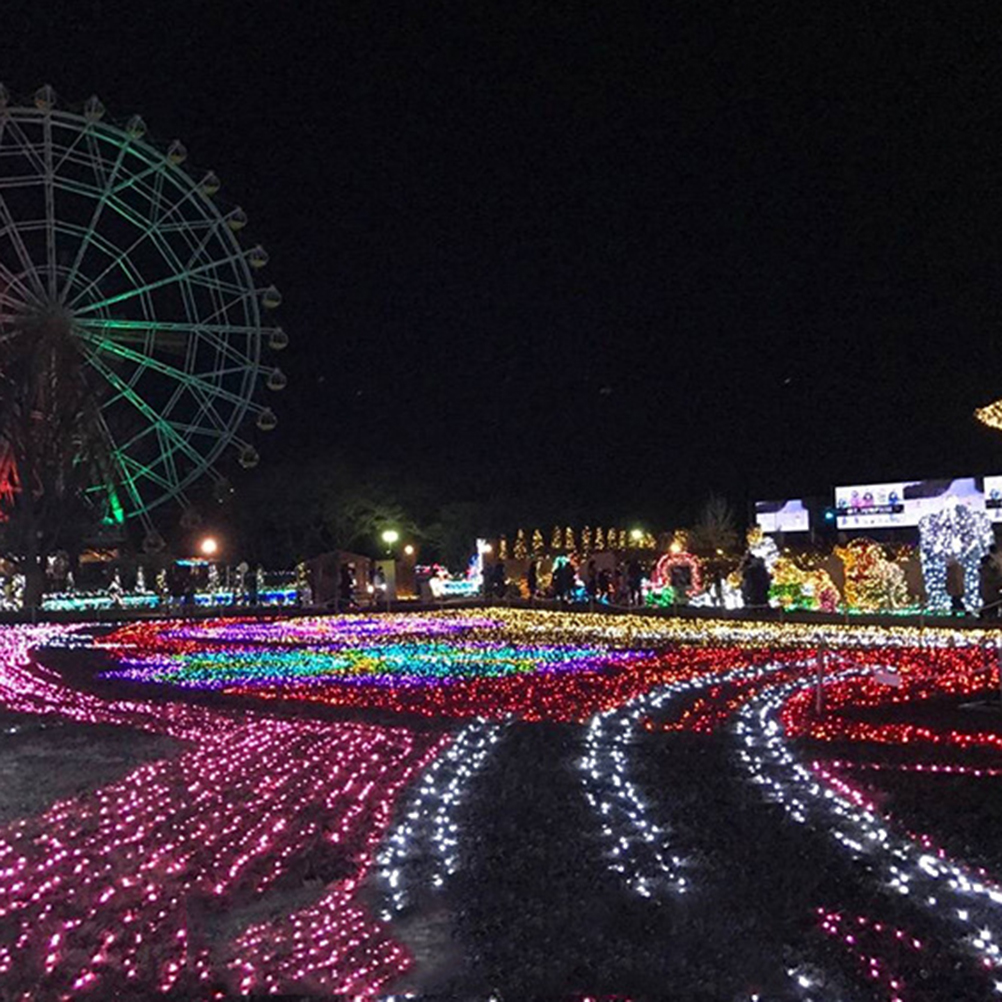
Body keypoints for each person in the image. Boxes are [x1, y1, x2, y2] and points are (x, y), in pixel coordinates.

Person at [979, 548, 1002, 619]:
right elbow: (993, 581)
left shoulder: (986, 570)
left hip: (989, 592)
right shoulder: (988, 570)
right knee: (992, 605)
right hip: (990, 592)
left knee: (990, 606)